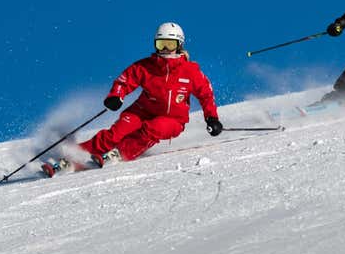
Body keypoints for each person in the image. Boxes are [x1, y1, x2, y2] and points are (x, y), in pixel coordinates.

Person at [42, 22, 223, 176]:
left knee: (154, 128)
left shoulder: (190, 71)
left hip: (173, 120)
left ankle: (119, 153)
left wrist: (212, 118)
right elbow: (125, 80)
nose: (165, 49)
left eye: (169, 44)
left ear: (179, 45)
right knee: (116, 133)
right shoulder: (146, 66)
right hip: (142, 111)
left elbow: (206, 94)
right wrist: (116, 96)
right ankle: (73, 156)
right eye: (161, 44)